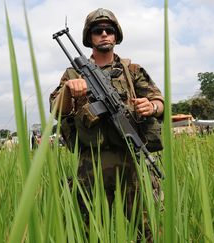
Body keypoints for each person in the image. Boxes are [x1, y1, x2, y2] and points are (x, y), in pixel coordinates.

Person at [50, 8, 164, 241]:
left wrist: (150, 107)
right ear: (89, 37)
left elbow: (160, 102)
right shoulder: (73, 73)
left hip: (131, 160)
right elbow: (57, 110)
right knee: (89, 231)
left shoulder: (132, 71)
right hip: (90, 163)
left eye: (109, 30)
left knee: (145, 231)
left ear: (116, 35)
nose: (104, 34)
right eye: (97, 30)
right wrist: (69, 90)